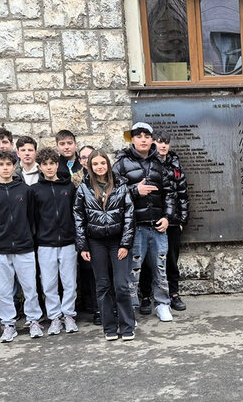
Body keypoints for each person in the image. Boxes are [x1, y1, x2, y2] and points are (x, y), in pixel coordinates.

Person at [114, 122, 176, 321]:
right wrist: (135, 191)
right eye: (138, 136)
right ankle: (130, 309)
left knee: (160, 268)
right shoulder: (121, 164)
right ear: (132, 139)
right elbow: (113, 195)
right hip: (134, 227)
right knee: (133, 270)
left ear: (152, 140)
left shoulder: (159, 163)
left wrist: (167, 217)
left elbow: (169, 194)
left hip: (158, 227)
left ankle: (163, 304)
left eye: (147, 136)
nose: (143, 140)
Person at [0, 150, 44, 343]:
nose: (5, 168)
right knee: (5, 290)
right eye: (1, 164)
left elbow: (31, 217)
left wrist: (28, 236)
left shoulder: (25, 190)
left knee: (30, 287)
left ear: (14, 166)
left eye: (9, 164)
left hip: (24, 246)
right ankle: (8, 324)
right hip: (1, 248)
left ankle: (33, 320)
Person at [74, 149, 136, 340]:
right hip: (96, 242)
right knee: (102, 285)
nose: (99, 167)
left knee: (121, 285)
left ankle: (127, 326)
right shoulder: (84, 188)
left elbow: (129, 215)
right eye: (95, 164)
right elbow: (78, 218)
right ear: (90, 166)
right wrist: (83, 246)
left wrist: (125, 244)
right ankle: (109, 327)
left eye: (102, 163)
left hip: (117, 241)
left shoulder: (120, 185)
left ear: (108, 165)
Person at [139, 130, 190, 313]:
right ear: (154, 143)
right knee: (147, 261)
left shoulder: (175, 164)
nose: (163, 145)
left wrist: (182, 220)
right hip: (152, 219)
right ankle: (146, 296)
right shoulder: (148, 163)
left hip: (173, 221)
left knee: (171, 260)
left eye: (166, 142)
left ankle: (174, 294)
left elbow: (182, 194)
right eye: (159, 142)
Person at [31, 147, 79, 335]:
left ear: (57, 165)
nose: (49, 167)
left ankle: (69, 315)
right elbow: (33, 218)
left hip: (68, 242)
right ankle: (55, 317)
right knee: (49, 284)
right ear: (39, 166)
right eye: (45, 164)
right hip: (45, 243)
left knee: (69, 282)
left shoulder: (69, 187)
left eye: (52, 163)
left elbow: (75, 213)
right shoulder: (35, 190)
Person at [73, 145, 99, 324]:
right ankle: (93, 306)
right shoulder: (74, 180)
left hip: (103, 231)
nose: (86, 160)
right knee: (88, 271)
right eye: (83, 157)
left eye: (89, 157)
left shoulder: (108, 177)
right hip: (85, 231)